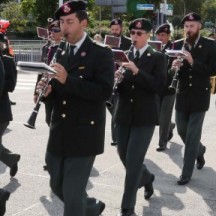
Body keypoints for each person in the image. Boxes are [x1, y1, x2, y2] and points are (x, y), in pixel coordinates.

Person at [37, 1, 114, 215]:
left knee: (71, 196)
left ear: (84, 23)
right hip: (59, 130)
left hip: (84, 132)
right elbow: (57, 89)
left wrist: (67, 80)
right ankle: (90, 208)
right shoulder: (60, 51)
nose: (64, 27)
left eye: (70, 22)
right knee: (56, 186)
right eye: (61, 22)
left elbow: (104, 92)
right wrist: (46, 93)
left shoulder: (101, 53)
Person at [114, 18, 166, 216]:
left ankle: (127, 207)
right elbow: (120, 88)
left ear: (148, 35)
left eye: (139, 34)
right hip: (124, 114)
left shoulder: (157, 57)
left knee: (134, 161)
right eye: (132, 34)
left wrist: (136, 71)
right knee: (124, 156)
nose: (135, 37)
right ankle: (147, 178)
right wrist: (117, 80)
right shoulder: (125, 55)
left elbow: (159, 86)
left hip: (145, 116)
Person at [171, 12, 216, 185]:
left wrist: (192, 62)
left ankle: (186, 172)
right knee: (182, 129)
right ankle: (200, 149)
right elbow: (171, 71)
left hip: (199, 95)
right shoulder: (178, 44)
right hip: (182, 94)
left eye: (192, 26)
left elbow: (213, 70)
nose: (188, 29)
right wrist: (174, 68)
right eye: (186, 26)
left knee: (192, 134)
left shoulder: (210, 45)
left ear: (199, 27)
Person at [108, 18, 132, 146]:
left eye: (116, 30)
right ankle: (121, 126)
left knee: (116, 108)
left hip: (122, 77)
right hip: (109, 77)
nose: (114, 32)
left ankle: (116, 137)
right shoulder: (107, 42)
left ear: (121, 29)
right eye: (112, 30)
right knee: (110, 105)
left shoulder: (128, 42)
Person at [0, 36, 20, 179]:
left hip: (2, 111)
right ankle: (11, 159)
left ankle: (11, 159)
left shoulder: (7, 61)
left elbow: (11, 86)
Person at [155, 23, 176, 151]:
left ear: (168, 36)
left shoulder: (174, 48)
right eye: (159, 35)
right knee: (157, 116)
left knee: (164, 116)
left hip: (169, 87)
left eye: (163, 35)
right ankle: (170, 125)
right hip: (156, 86)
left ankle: (162, 142)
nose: (160, 37)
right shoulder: (153, 48)